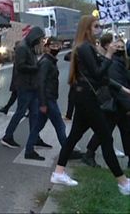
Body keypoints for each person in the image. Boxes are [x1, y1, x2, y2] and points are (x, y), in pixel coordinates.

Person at [51, 15, 130, 195]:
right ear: (87, 29)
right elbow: (97, 74)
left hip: (84, 96)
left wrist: (122, 88)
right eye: (96, 26)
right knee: (106, 137)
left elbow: (102, 76)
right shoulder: (85, 47)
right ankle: (123, 182)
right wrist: (109, 55)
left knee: (74, 136)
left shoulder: (87, 47)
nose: (99, 29)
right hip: (87, 97)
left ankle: (59, 172)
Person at [82, 37, 130, 168]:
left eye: (122, 48)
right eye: (117, 47)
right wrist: (128, 106)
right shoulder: (114, 64)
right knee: (105, 132)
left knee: (122, 131)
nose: (120, 50)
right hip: (115, 104)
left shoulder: (120, 62)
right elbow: (118, 86)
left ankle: (89, 154)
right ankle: (89, 154)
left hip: (118, 104)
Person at [23, 37, 68, 161]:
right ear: (47, 47)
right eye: (53, 46)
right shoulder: (46, 62)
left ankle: (29, 150)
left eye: (58, 45)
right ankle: (67, 150)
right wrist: (43, 103)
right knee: (60, 125)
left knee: (37, 126)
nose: (56, 48)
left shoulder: (50, 60)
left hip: (48, 98)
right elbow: (40, 83)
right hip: (47, 99)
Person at [1, 26, 46, 148]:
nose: (40, 41)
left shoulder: (29, 47)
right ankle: (8, 136)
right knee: (20, 112)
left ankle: (35, 137)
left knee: (34, 114)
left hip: (31, 85)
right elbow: (20, 67)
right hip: (25, 86)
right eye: (40, 39)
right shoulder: (22, 47)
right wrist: (36, 68)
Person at [0, 42, 20, 114]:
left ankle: (8, 109)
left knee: (21, 98)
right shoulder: (18, 56)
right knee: (15, 96)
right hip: (18, 81)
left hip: (20, 82)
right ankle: (6, 108)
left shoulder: (21, 56)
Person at [63, 51, 76, 120]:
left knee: (72, 97)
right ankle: (69, 114)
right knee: (72, 97)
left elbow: (67, 57)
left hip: (77, 79)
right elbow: (66, 57)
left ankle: (69, 115)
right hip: (76, 79)